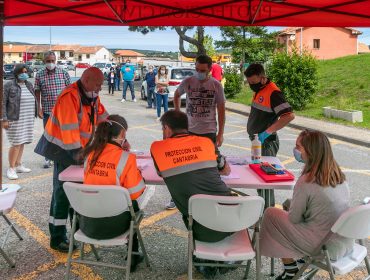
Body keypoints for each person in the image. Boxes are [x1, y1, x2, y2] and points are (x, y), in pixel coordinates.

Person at [260, 130, 354, 280]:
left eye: (298, 147)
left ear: (310, 151)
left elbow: (294, 219)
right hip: (344, 243)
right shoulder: (338, 175)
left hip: (324, 246)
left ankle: (291, 270)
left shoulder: (307, 181)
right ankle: (296, 265)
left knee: (271, 214)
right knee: (287, 207)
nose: (295, 150)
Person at [150, 110, 232, 278]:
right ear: (186, 127)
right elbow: (226, 170)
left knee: (190, 207)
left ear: (166, 128)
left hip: (199, 226)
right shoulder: (207, 142)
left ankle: (203, 260)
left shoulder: (157, 148)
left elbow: (161, 173)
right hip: (232, 221)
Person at [34, 67, 108, 252]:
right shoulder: (70, 96)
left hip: (78, 149)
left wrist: (117, 132)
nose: (100, 88)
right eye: (98, 84)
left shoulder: (91, 95)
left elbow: (102, 117)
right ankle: (57, 237)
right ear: (86, 79)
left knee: (75, 191)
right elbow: (69, 133)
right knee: (62, 193)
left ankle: (78, 229)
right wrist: (82, 156)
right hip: (62, 150)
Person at [81, 114, 146, 271]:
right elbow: (136, 192)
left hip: (88, 224)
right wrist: (137, 173)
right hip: (115, 226)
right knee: (134, 207)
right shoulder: (126, 158)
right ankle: (133, 257)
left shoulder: (89, 155)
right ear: (122, 135)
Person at [170, 54, 226, 210]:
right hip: (189, 130)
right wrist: (177, 113)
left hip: (208, 132)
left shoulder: (216, 85)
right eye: (196, 69)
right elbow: (176, 94)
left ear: (209, 69)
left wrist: (220, 133)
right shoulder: (188, 81)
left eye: (202, 70)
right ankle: (178, 196)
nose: (198, 72)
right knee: (184, 164)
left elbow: (221, 111)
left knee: (209, 165)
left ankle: (211, 195)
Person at [244, 63, 295, 208]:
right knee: (259, 178)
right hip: (258, 142)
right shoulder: (260, 89)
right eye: (249, 83)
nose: (251, 85)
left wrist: (267, 132)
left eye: (253, 82)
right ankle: (264, 209)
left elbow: (289, 116)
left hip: (266, 142)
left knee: (265, 180)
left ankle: (268, 213)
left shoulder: (273, 93)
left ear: (262, 77)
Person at [34, 51, 71, 168]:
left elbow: (70, 91)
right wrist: (38, 108)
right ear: (44, 61)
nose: (51, 63)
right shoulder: (39, 74)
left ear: (56, 61)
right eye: (48, 61)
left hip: (63, 111)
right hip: (47, 111)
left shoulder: (63, 73)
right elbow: (37, 92)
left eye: (52, 61)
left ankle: (62, 156)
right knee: (48, 134)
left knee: (63, 134)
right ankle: (48, 158)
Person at [2, 64, 38, 180]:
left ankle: (18, 164)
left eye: (26, 71)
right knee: (16, 143)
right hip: (14, 119)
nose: (25, 74)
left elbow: (34, 99)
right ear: (16, 73)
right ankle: (11, 168)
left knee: (22, 142)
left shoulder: (29, 85)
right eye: (22, 72)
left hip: (27, 118)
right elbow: (2, 103)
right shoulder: (9, 85)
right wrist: (4, 119)